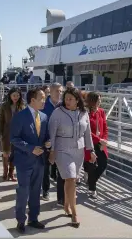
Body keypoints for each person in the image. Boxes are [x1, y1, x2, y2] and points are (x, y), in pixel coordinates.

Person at [48, 87, 95, 228]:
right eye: (66, 98)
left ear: (77, 100)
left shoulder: (83, 113)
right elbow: (52, 133)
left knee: (72, 180)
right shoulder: (57, 113)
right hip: (62, 150)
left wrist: (91, 150)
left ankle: (67, 205)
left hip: (78, 152)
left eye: (70, 99)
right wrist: (52, 151)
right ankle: (74, 213)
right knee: (70, 178)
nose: (67, 101)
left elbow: (88, 134)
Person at [10, 87, 49, 233]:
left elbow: (45, 136)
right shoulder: (20, 116)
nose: (44, 100)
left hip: (39, 161)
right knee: (23, 191)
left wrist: (48, 142)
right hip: (24, 160)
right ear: (33, 100)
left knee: (35, 191)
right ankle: (21, 220)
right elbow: (14, 139)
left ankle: (34, 218)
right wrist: (31, 148)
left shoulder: (44, 117)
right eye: (42, 98)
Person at [40, 82, 63, 202]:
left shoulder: (62, 105)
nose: (59, 94)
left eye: (61, 91)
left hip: (60, 141)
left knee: (60, 169)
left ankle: (61, 197)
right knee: (46, 168)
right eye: (57, 91)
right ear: (51, 91)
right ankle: (46, 190)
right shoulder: (43, 105)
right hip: (46, 142)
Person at [84, 92, 109, 199]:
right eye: (98, 100)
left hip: (101, 143)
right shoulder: (85, 113)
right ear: (92, 101)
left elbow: (105, 127)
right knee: (92, 166)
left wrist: (104, 140)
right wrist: (99, 140)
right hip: (90, 143)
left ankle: (91, 181)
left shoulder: (102, 112)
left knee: (103, 164)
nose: (100, 102)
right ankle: (92, 189)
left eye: (100, 100)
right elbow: (86, 131)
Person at [0, 87, 24, 181]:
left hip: (18, 133)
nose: (15, 97)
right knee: (5, 152)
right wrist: (0, 132)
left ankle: (11, 173)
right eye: (14, 95)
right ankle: (5, 172)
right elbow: (1, 120)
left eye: (17, 95)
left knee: (14, 153)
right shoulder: (4, 106)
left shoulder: (22, 106)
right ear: (10, 95)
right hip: (6, 132)